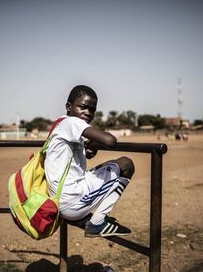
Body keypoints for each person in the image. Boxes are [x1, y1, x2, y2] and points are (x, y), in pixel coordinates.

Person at [45, 85, 135, 237]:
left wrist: (88, 147)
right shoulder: (72, 122)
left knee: (109, 165)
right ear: (69, 106)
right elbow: (110, 141)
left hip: (58, 199)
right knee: (126, 164)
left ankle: (94, 218)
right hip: (71, 203)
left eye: (92, 110)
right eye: (83, 107)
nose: (88, 113)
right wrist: (97, 143)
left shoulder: (60, 123)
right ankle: (97, 223)